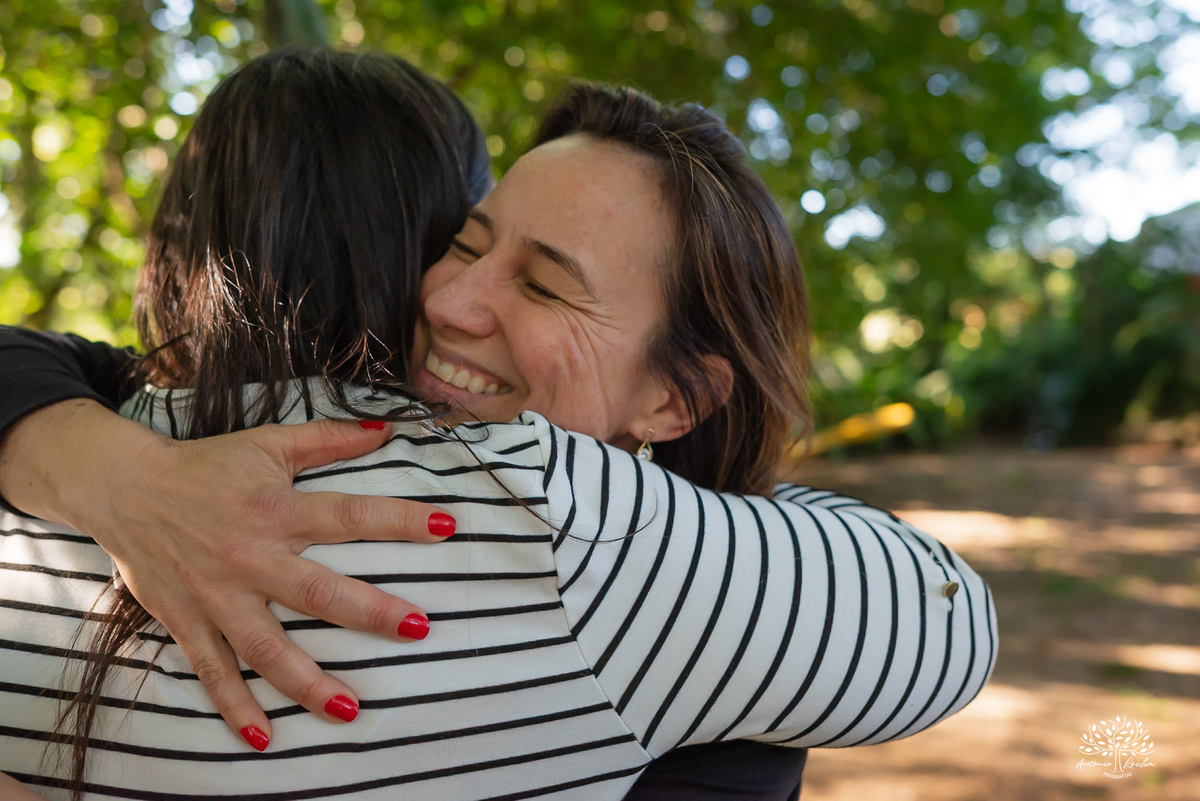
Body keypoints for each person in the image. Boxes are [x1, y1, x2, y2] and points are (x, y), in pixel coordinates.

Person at [0, 47, 996, 800]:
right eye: (464, 243)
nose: (452, 301)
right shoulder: (594, 539)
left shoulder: (32, 510)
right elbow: (948, 618)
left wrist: (92, 459)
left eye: (543, 286)